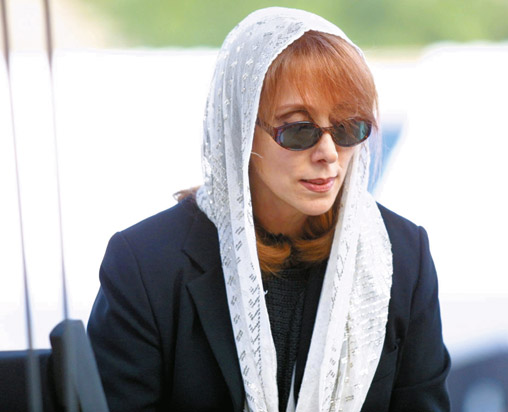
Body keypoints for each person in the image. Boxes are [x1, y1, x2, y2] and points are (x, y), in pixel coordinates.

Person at [87, 7, 450, 412]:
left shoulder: (402, 255)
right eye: (299, 130)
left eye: (348, 128)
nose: (329, 153)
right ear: (241, 130)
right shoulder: (144, 265)